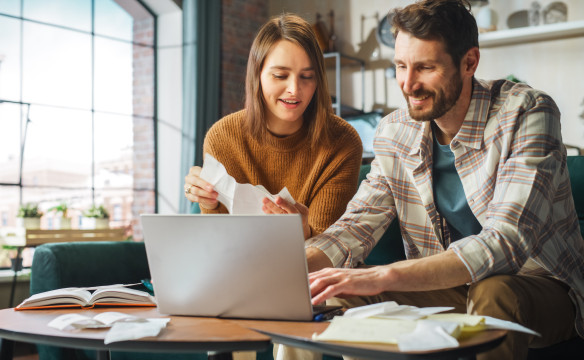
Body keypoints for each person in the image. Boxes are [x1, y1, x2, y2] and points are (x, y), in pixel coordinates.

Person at [305, 1, 584, 359]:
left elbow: (506, 242)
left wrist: (384, 275)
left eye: (425, 67)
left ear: (469, 62)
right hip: (448, 286)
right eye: (401, 66)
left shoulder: (526, 111)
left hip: (539, 285)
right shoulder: (394, 132)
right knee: (335, 290)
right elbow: (356, 226)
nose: (408, 84)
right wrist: (296, 266)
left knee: (494, 291)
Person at [184, 14, 363, 251]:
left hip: (315, 275)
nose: (294, 89)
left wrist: (303, 232)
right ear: (257, 75)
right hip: (238, 270)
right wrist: (204, 195)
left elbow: (327, 248)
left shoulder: (343, 141)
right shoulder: (222, 138)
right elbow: (219, 241)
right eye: (280, 75)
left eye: (307, 77)